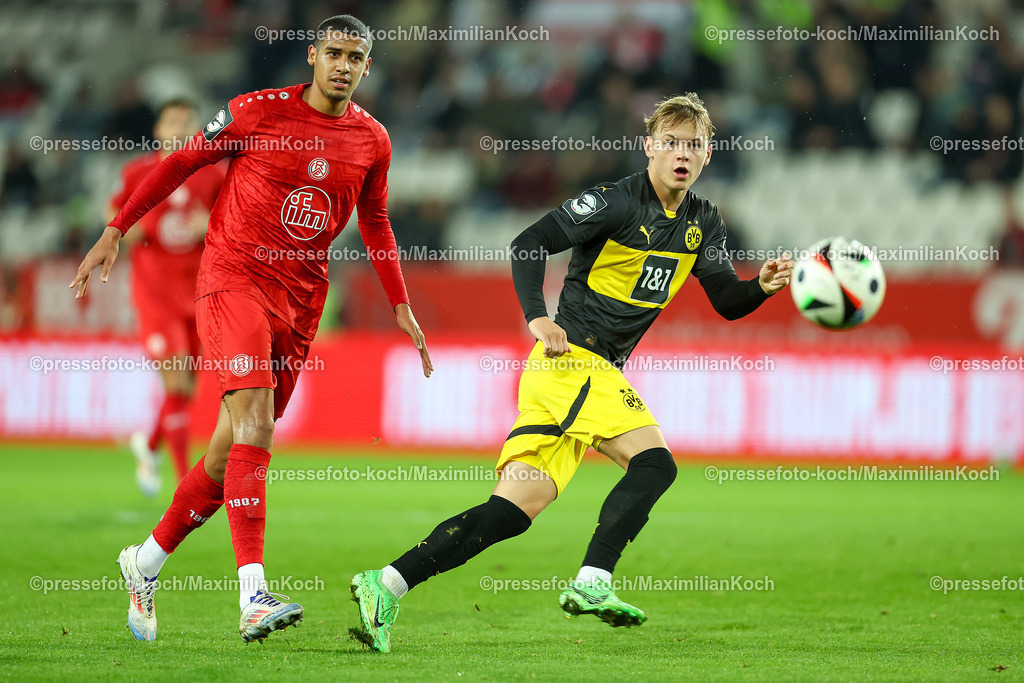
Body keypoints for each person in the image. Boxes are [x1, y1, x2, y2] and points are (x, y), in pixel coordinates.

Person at [350, 93, 794, 653]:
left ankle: (384, 583)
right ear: (650, 147)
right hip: (573, 362)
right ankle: (594, 581)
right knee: (655, 465)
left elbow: (726, 301)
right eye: (672, 143)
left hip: (574, 376)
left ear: (707, 155)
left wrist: (762, 285)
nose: (683, 154)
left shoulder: (703, 221)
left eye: (695, 145)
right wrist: (537, 315)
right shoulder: (616, 202)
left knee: (510, 513)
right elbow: (529, 241)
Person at [70, 14, 433, 643]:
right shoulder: (255, 112)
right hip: (234, 277)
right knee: (257, 424)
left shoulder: (372, 140)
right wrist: (116, 228)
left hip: (302, 297)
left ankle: (145, 561)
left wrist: (399, 301)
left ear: (367, 66)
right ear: (312, 57)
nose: (344, 65)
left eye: (357, 56)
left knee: (225, 452)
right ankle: (253, 594)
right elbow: (182, 162)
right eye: (335, 53)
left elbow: (375, 220)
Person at [109, 99, 226, 495]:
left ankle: (150, 442)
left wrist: (207, 222)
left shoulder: (211, 174)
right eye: (170, 119)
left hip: (198, 295)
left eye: (185, 120)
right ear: (158, 129)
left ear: (196, 128)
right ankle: (183, 485)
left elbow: (231, 223)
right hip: (155, 296)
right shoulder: (138, 172)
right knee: (176, 384)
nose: (177, 126)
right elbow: (115, 218)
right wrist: (135, 226)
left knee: (184, 390)